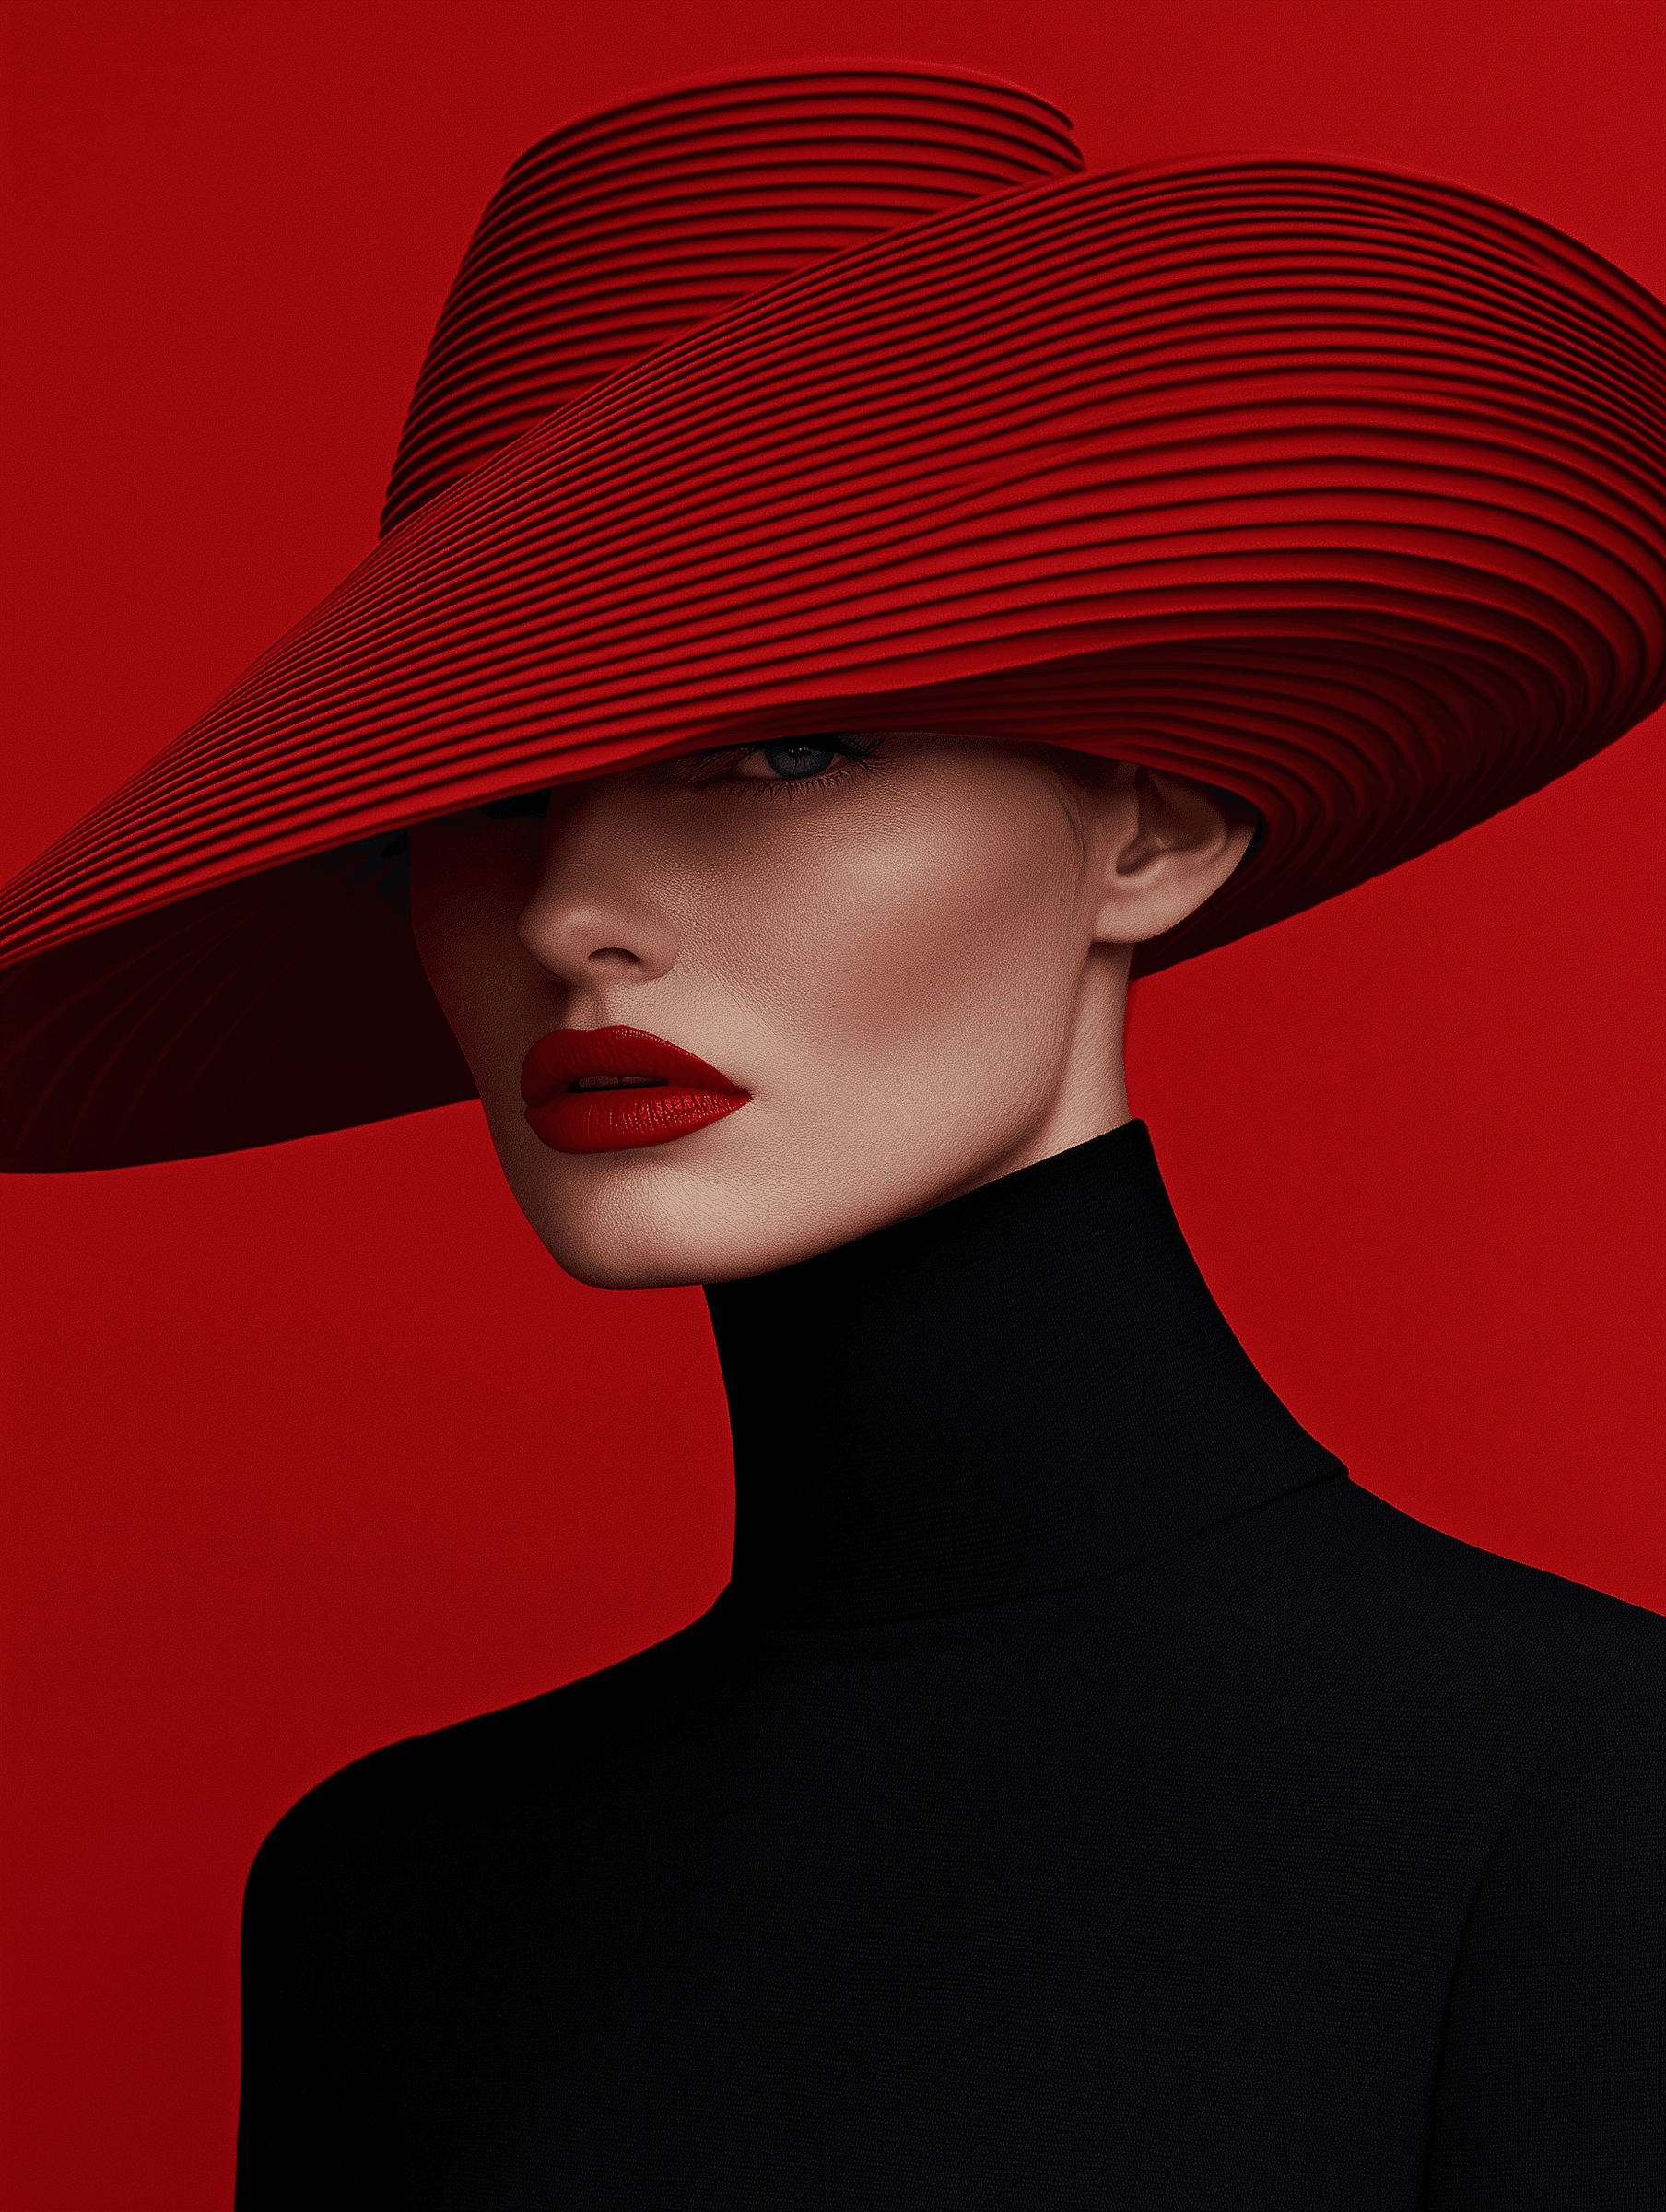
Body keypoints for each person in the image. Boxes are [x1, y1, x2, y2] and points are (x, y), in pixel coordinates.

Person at [0, 63, 1660, 2209]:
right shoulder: (386, 1895)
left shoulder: (1580, 1794)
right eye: (483, 796)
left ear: (1152, 826)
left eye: (777, 750)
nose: (566, 911)